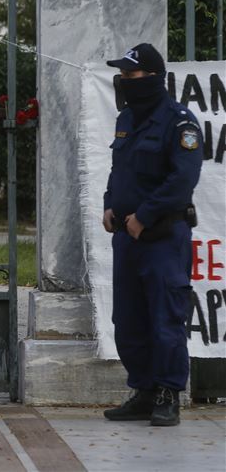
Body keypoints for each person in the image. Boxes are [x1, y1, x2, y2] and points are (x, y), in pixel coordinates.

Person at [101, 43, 203, 427]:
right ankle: (143, 391)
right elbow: (119, 171)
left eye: (131, 75)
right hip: (127, 235)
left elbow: (183, 179)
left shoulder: (180, 122)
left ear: (154, 78)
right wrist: (110, 205)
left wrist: (143, 216)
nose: (124, 82)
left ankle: (167, 393)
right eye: (122, 76)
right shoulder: (126, 118)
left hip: (162, 235)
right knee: (128, 319)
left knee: (166, 317)